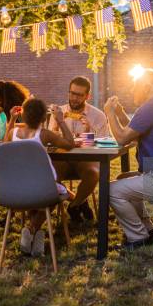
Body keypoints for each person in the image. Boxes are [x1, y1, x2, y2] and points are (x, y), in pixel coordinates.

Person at [103, 68, 153, 250]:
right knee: (123, 179)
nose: (132, 90)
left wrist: (109, 113)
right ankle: (147, 230)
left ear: (146, 87)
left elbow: (123, 138)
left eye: (135, 86)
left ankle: (138, 237)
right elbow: (135, 131)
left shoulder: (151, 107)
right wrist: (120, 112)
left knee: (109, 190)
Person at [4, 98, 75, 257]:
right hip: (43, 188)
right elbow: (70, 143)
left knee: (39, 193)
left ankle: (36, 240)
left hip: (18, 188)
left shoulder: (12, 133)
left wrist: (12, 120)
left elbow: (3, 146)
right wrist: (61, 121)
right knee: (52, 196)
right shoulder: (44, 135)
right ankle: (30, 229)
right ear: (44, 118)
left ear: (22, 115)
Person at [49, 76, 109, 222]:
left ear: (87, 96)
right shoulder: (58, 112)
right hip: (62, 159)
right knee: (50, 178)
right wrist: (56, 126)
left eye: (79, 95)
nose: (74, 98)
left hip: (85, 160)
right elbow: (50, 141)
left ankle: (74, 206)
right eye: (72, 93)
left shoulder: (98, 115)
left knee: (94, 174)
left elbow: (104, 144)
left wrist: (89, 131)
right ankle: (79, 201)